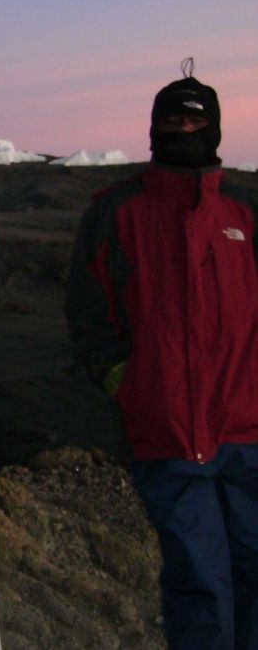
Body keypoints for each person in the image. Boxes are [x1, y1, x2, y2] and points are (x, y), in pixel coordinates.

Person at [66, 64, 258, 650]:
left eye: (195, 119)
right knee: (200, 578)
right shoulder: (116, 212)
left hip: (247, 431)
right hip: (167, 432)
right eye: (172, 119)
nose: (184, 129)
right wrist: (125, 380)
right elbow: (89, 309)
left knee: (253, 570)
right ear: (153, 129)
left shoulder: (244, 214)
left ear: (215, 127)